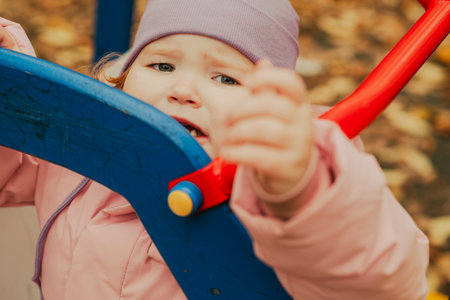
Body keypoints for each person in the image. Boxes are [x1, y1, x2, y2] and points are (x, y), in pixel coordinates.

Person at [0, 0, 429, 299]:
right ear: (123, 77)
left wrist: (302, 192)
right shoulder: (83, 149)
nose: (183, 89)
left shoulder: (269, 200)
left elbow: (376, 284)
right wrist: (15, 100)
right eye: (162, 65)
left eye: (225, 78)